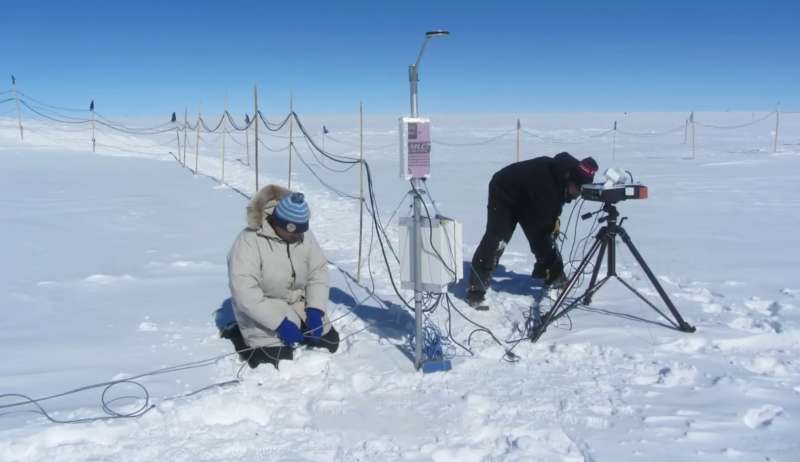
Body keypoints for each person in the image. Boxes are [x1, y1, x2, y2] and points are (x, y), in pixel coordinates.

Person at [218, 184, 339, 369]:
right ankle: (237, 333)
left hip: (297, 302)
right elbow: (245, 294)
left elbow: (318, 271)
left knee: (330, 343)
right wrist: (280, 324)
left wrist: (315, 309)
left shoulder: (302, 233)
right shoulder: (248, 242)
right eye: (294, 233)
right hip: (263, 307)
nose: (299, 236)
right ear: (280, 224)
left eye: (302, 231)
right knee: (276, 360)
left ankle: (299, 322)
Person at [467, 152, 598, 307]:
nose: (578, 194)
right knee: (497, 237)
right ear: (569, 180)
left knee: (543, 238)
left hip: (530, 197)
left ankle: (555, 277)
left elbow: (546, 220)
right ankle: (476, 287)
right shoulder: (548, 185)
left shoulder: (570, 174)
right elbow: (543, 223)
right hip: (505, 191)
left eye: (582, 190)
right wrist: (549, 227)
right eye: (577, 189)